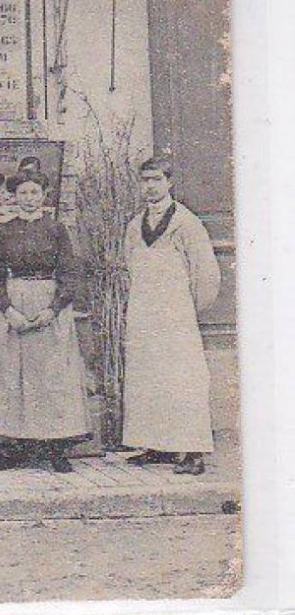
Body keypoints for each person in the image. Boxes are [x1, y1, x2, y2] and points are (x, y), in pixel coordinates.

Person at [0, 165, 90, 473]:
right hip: (13, 308)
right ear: (14, 197)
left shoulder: (56, 229)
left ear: (44, 196)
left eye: (34, 192)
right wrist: (8, 310)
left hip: (48, 309)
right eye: (22, 193)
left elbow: (70, 273)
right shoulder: (4, 231)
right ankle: (10, 450)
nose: (29, 198)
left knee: (51, 377)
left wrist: (52, 310)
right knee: (11, 378)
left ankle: (54, 447)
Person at [121, 156, 222, 475]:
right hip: (144, 311)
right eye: (145, 180)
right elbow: (129, 266)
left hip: (176, 312)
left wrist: (188, 310)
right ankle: (156, 444)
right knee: (147, 375)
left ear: (169, 182)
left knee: (183, 377)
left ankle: (193, 451)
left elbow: (205, 274)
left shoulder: (186, 223)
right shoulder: (135, 225)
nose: (149, 186)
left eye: (156, 180)